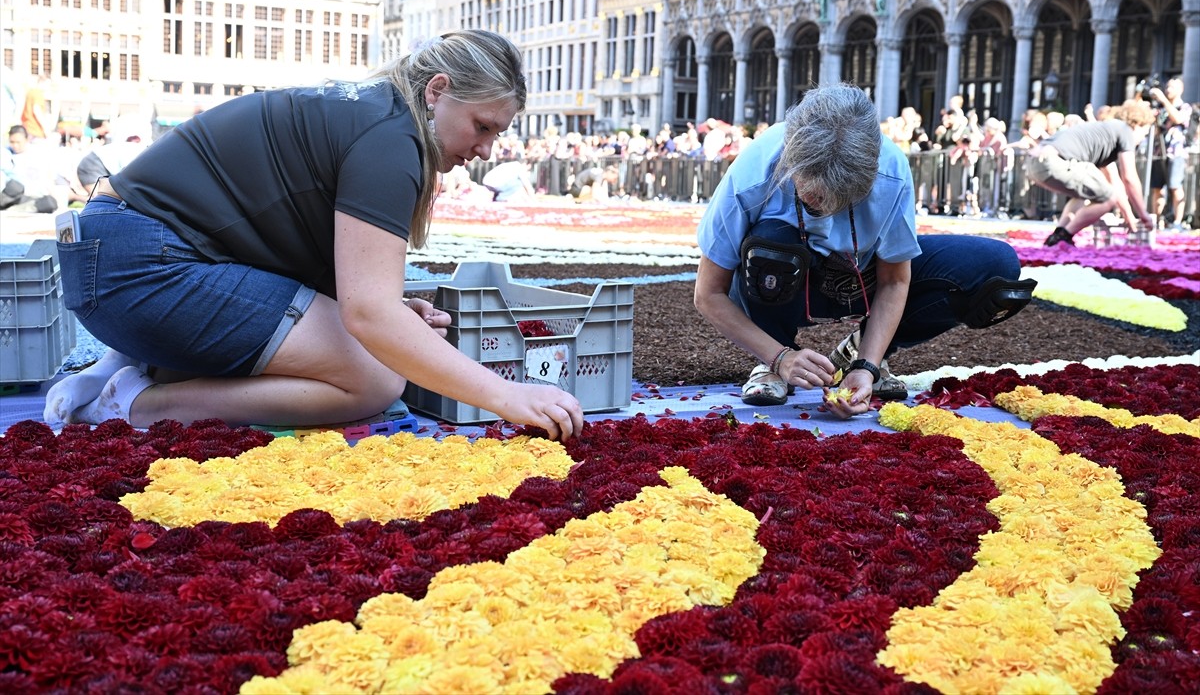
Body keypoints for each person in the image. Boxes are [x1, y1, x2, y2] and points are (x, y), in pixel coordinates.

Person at [45, 30, 583, 440]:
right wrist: (506, 395)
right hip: (140, 269)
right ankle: (135, 405)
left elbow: (349, 291)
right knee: (374, 380)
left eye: (498, 133)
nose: (485, 150)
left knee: (369, 350)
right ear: (437, 92)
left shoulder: (374, 112)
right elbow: (369, 314)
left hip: (118, 260)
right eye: (482, 127)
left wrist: (389, 313)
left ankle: (134, 364)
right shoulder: (391, 140)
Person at [694, 84, 1034, 418]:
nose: (826, 210)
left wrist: (867, 366)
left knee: (996, 267)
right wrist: (779, 356)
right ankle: (773, 359)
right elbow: (708, 293)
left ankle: (858, 349)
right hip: (782, 284)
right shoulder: (755, 170)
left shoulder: (890, 170)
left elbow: (895, 281)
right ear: (790, 161)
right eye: (813, 198)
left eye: (842, 202)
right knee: (772, 242)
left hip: (860, 279)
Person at [1029, 100, 1156, 246]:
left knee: (1086, 195)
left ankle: (1057, 236)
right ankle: (1064, 236)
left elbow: (1115, 182)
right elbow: (1129, 178)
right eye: (1144, 133)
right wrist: (1143, 215)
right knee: (1107, 199)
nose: (1141, 140)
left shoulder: (1107, 130)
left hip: (1035, 162)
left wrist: (1129, 216)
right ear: (1138, 124)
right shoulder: (1125, 130)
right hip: (1054, 160)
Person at [1145, 78, 1192, 230]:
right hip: (1158, 153)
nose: (1168, 89)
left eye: (1172, 87)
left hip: (1176, 153)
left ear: (1181, 89)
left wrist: (1164, 100)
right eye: (1168, 86)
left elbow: (1178, 119)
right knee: (1157, 188)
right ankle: (1156, 222)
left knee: (1175, 186)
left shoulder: (1184, 107)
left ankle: (1177, 222)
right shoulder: (1160, 108)